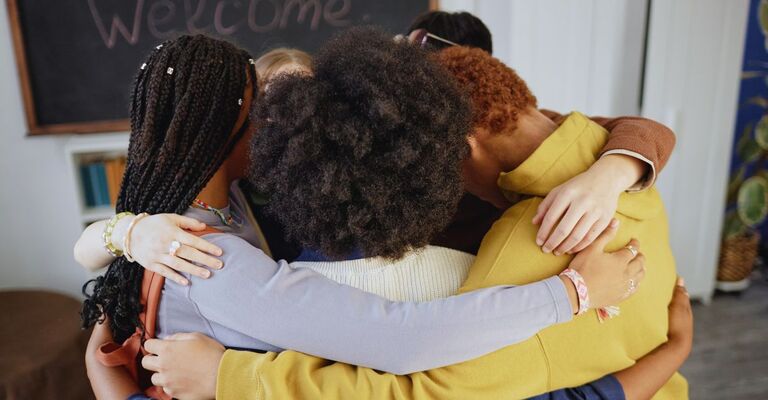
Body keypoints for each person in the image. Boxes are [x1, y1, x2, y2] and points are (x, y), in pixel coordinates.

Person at [79, 29, 648, 399]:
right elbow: (404, 339)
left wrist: (123, 228)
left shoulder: (198, 215)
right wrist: (573, 291)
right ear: (236, 127)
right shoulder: (206, 254)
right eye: (268, 108)